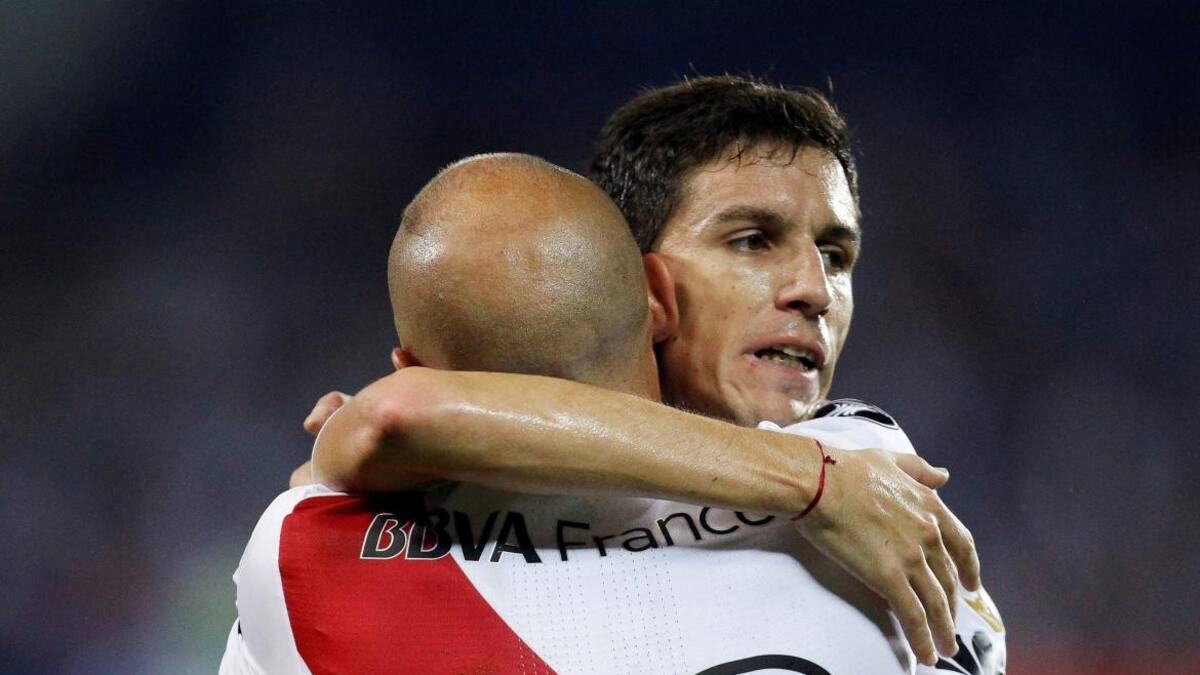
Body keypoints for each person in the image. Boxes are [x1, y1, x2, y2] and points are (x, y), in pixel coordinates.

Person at [299, 76, 1004, 671]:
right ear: (643, 289)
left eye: (837, 255)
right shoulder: (827, 480)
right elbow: (399, 415)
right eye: (752, 240)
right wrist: (805, 478)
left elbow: (396, 414)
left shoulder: (866, 463)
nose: (814, 289)